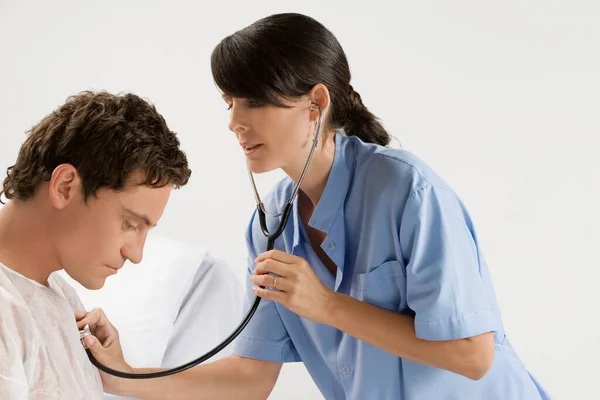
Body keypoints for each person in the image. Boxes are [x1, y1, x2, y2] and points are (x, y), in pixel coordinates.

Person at [82, 13, 550, 400]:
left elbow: (472, 354)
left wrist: (326, 305)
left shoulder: (408, 191)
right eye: (229, 102)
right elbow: (249, 379)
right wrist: (125, 375)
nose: (234, 122)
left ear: (315, 103)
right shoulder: (269, 227)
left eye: (253, 101)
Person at [0, 91, 191, 399]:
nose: (136, 254)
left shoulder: (62, 299)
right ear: (65, 187)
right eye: (130, 224)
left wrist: (119, 375)